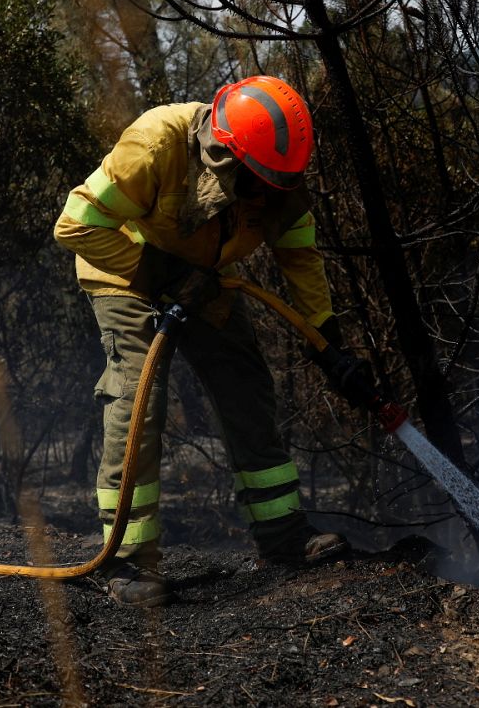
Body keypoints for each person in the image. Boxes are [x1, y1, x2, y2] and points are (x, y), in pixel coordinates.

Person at [53, 75, 364, 608]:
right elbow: (76, 225)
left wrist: (326, 339)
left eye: (276, 185)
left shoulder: (277, 178)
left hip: (204, 276)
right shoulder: (156, 143)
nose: (267, 196)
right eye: (256, 181)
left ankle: (283, 540)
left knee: (246, 385)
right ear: (224, 152)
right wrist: (163, 274)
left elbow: (299, 255)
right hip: (125, 268)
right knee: (138, 401)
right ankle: (127, 562)